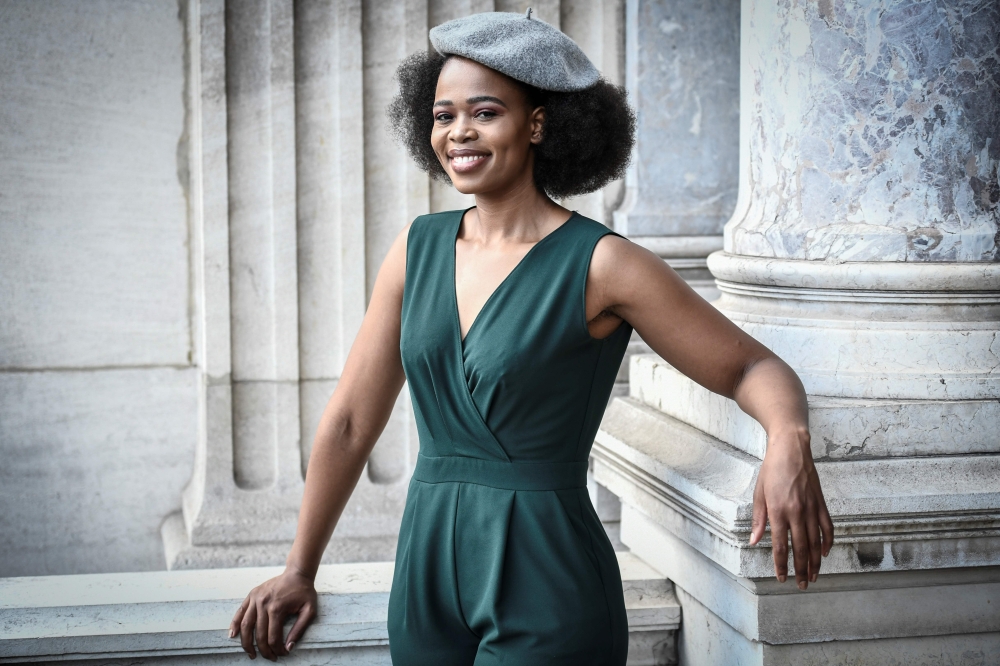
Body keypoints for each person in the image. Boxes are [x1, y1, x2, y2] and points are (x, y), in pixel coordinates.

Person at [229, 9, 834, 665]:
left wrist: (787, 441)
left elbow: (751, 368)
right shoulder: (416, 249)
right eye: (443, 115)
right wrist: (299, 567)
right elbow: (350, 421)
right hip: (424, 580)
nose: (458, 131)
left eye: (485, 112)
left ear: (539, 123)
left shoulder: (602, 264)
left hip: (548, 585)